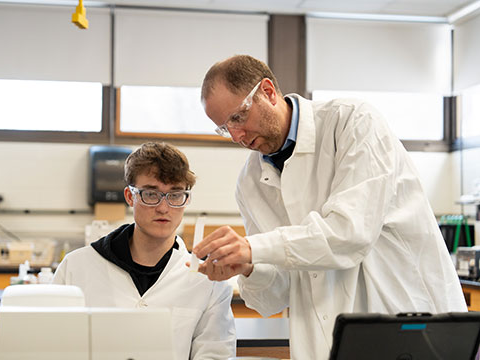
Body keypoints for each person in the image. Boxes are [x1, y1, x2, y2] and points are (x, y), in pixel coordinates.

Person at [193, 55, 467, 359]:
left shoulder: (354, 122)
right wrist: (249, 269)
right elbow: (272, 298)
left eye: (238, 117)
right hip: (324, 343)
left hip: (408, 324)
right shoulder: (250, 182)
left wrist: (253, 249)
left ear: (268, 91)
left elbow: (349, 233)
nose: (236, 136)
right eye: (224, 128)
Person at [53, 142, 236, 360]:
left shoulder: (208, 281)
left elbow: (215, 355)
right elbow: (54, 348)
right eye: (151, 194)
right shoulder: (76, 268)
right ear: (130, 197)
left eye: (175, 195)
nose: (163, 207)